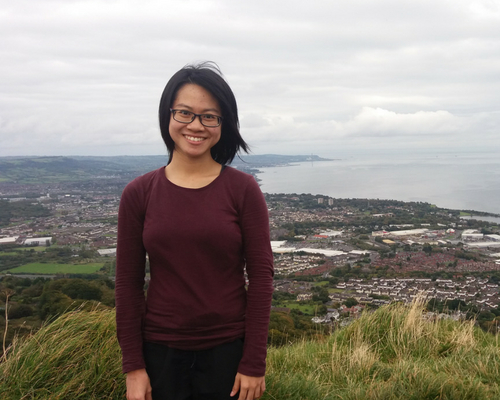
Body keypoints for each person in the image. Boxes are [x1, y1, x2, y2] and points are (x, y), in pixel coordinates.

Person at [115, 62, 274, 400]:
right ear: (168, 116)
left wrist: (253, 362)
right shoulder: (139, 193)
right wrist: (133, 367)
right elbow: (127, 284)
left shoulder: (243, 190)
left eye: (209, 116)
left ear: (223, 124)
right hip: (159, 352)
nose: (196, 125)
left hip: (228, 352)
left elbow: (261, 277)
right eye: (185, 113)